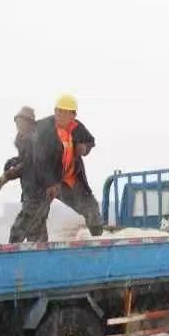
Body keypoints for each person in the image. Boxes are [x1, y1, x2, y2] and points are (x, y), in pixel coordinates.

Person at [33, 94, 104, 237]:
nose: (60, 115)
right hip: (47, 180)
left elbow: (91, 140)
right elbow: (39, 159)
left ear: (73, 114)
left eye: (65, 112)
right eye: (58, 111)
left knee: (91, 209)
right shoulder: (43, 128)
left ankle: (99, 242)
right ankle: (37, 248)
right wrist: (50, 183)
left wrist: (84, 147)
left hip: (69, 180)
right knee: (37, 215)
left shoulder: (77, 127)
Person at [0, 106, 47, 243]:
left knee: (19, 234)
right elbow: (25, 160)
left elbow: (28, 165)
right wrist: (14, 161)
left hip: (37, 195)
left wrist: (7, 176)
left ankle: (14, 260)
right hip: (31, 195)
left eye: (21, 122)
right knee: (35, 234)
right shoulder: (24, 140)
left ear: (29, 123)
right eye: (16, 122)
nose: (18, 126)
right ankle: (41, 259)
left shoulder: (36, 141)